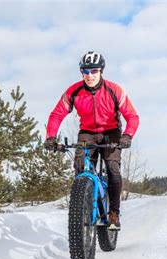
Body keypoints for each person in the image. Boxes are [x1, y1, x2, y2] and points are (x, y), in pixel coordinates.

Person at [44, 51, 139, 230]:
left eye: (94, 71)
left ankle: (113, 213)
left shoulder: (114, 90)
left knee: (113, 168)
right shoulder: (74, 91)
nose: (90, 75)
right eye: (85, 71)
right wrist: (50, 137)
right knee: (80, 166)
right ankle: (84, 205)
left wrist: (127, 136)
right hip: (87, 132)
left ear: (101, 71)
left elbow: (132, 116)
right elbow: (57, 114)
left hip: (111, 132)